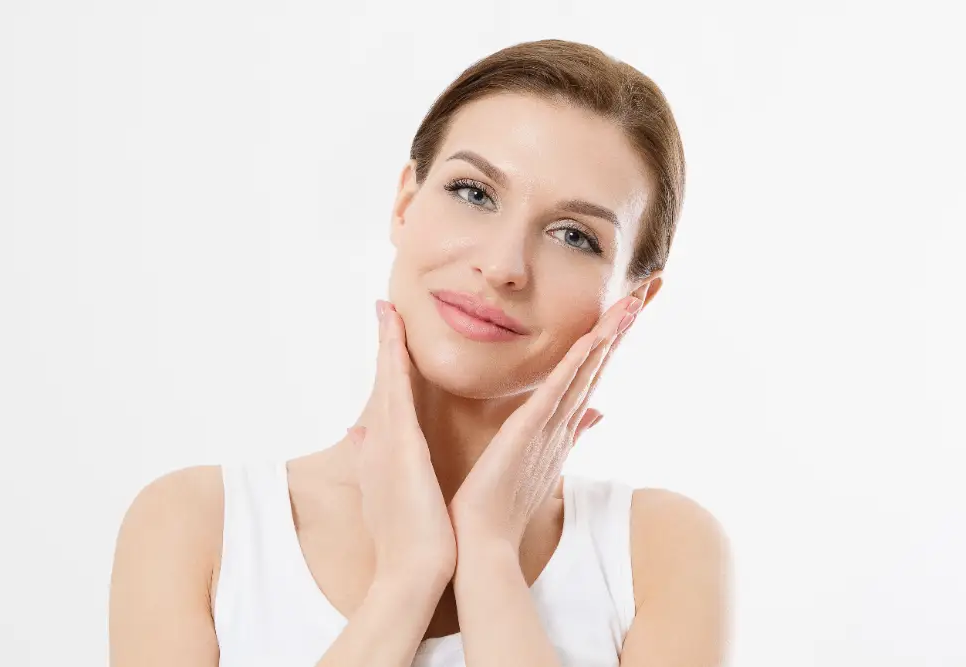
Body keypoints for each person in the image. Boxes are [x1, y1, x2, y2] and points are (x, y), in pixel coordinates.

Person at [108, 38, 731, 667]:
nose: (502, 266)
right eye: (474, 193)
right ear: (405, 204)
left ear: (635, 301)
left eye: (574, 236)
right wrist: (407, 578)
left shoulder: (657, 552)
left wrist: (488, 556)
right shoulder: (200, 528)